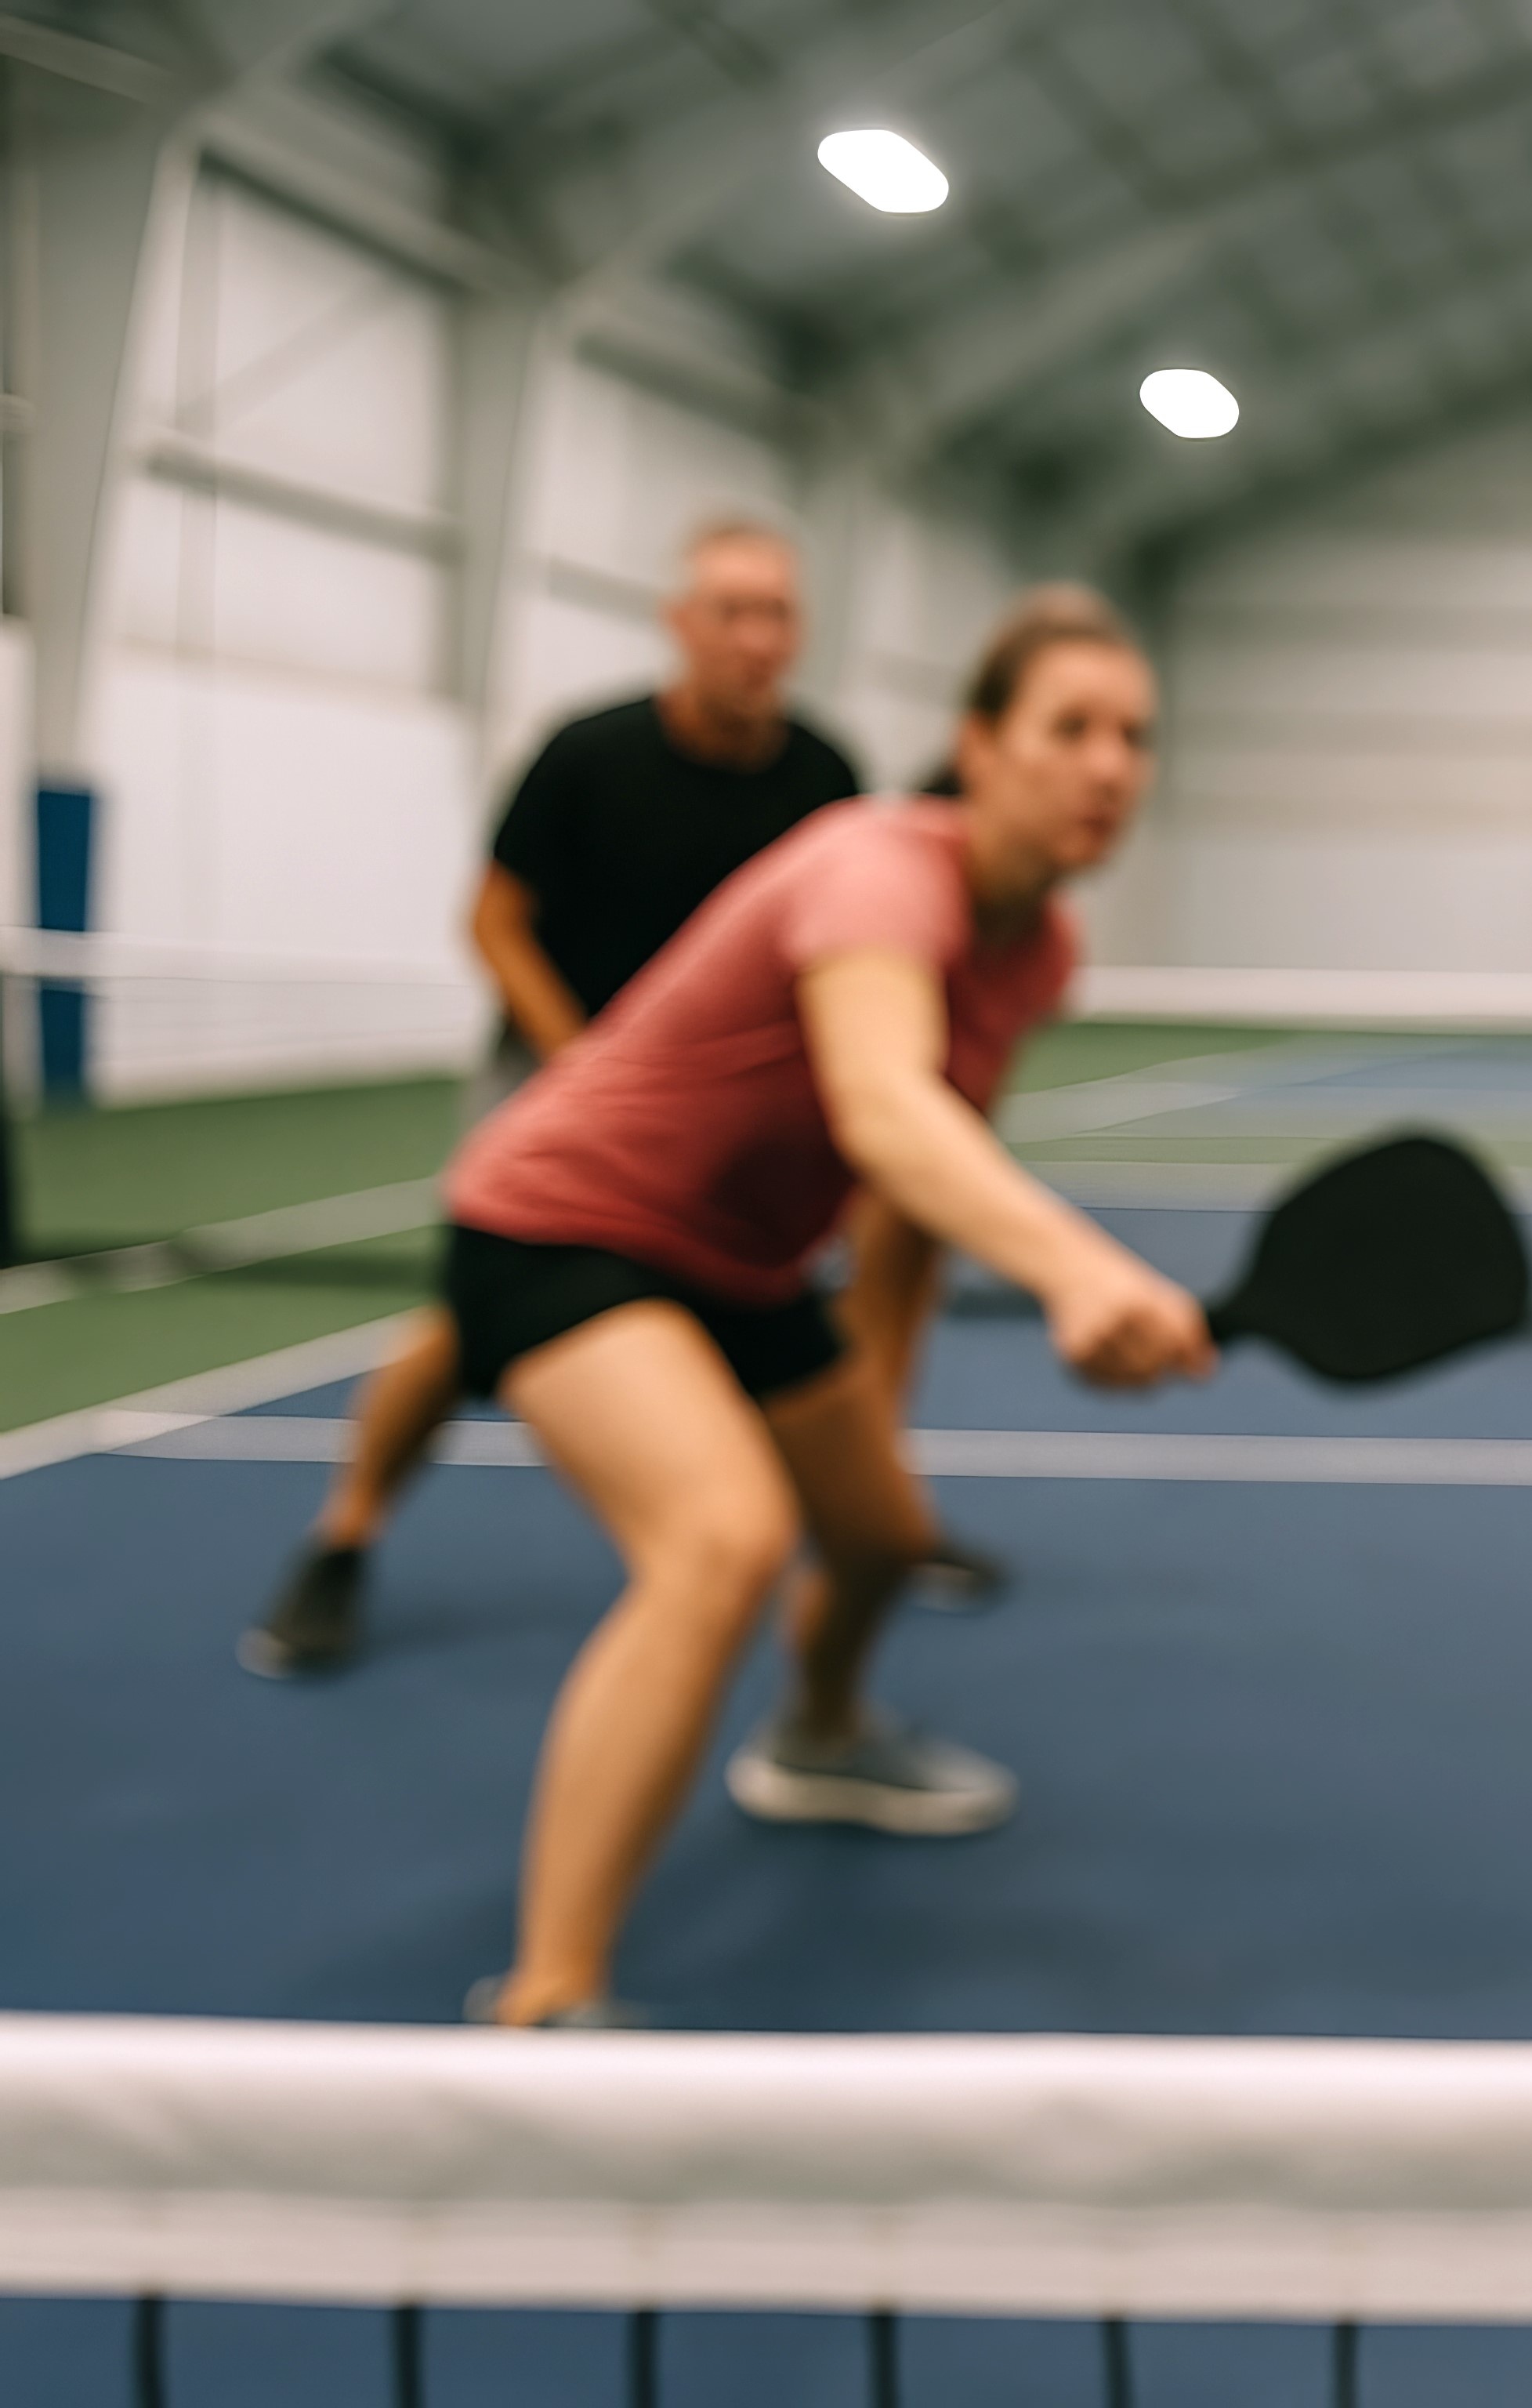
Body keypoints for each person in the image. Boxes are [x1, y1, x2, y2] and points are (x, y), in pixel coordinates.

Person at [444, 587, 1203, 2027]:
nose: (1110, 765)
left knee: (876, 1542)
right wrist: (1077, 1266)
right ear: (977, 746)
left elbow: (915, 1192)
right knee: (722, 1538)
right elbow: (883, 1108)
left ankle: (819, 1736)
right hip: (563, 1227)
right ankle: (547, 2002)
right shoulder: (875, 873)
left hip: (741, 1264)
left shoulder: (1034, 949)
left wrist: (881, 1411)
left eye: (1135, 736)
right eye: (1071, 728)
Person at [244, 520, 997, 1677]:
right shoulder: (586, 756)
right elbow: (493, 921)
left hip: (720, 1115)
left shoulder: (823, 775)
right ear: (681, 624)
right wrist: (582, 1059)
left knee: (783, 1312)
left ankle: (872, 1536)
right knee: (462, 1333)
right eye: (733, 611)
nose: (757, 638)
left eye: (778, 614)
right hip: (559, 1092)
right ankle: (344, 1536)